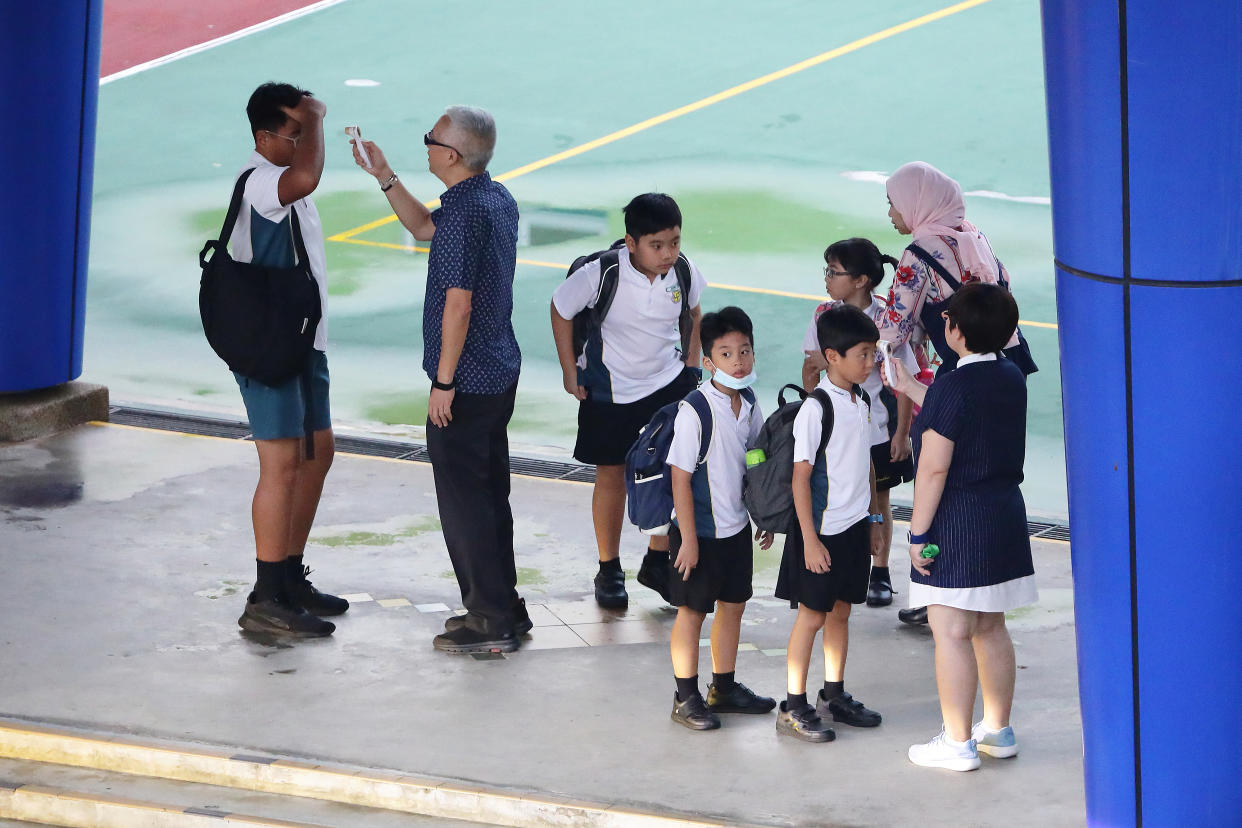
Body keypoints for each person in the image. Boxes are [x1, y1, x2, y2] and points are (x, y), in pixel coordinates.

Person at [351, 106, 525, 654]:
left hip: (466, 383)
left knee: (463, 501)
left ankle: (489, 614)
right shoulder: (493, 200)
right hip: (498, 372)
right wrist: (386, 176)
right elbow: (425, 226)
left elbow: (458, 304)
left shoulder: (467, 216)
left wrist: (443, 382)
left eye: (429, 140)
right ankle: (504, 603)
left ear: (450, 155)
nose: (424, 146)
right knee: (491, 492)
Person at [888, 282, 1036, 771]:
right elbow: (964, 409)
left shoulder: (953, 386)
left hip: (959, 520)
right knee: (990, 625)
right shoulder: (1010, 374)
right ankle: (997, 731)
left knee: (950, 630)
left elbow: (933, 467)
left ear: (954, 330)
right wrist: (911, 388)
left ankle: (956, 743)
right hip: (1004, 514)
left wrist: (917, 534)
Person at [878, 160, 1024, 626]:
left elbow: (894, 328)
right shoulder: (972, 233)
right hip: (1004, 362)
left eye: (893, 204)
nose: (891, 214)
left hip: (956, 370)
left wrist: (853, 318)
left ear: (916, 204)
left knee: (939, 471)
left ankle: (934, 578)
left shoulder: (918, 252)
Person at [232, 82, 347, 638]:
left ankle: (290, 573)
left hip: (304, 341)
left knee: (317, 452)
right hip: (270, 345)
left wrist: (306, 124)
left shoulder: (285, 189)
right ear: (263, 136)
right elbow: (307, 174)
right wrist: (318, 118)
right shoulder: (262, 184)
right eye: (293, 133)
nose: (303, 144)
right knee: (279, 464)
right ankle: (266, 595)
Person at [551, 194, 704, 609]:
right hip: (610, 391)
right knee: (612, 476)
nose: (668, 253)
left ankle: (657, 559)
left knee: (674, 474)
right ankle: (609, 568)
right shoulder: (602, 273)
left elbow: (694, 313)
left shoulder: (683, 270)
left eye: (674, 242)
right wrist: (570, 370)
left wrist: (692, 368)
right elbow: (560, 308)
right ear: (631, 242)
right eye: (657, 245)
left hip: (668, 384)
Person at [774, 304, 886, 742]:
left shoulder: (861, 401)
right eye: (862, 353)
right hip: (819, 533)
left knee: (841, 612)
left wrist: (876, 519)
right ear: (832, 356)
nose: (870, 361)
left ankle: (833, 694)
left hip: (855, 528)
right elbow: (800, 479)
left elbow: (868, 467)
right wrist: (810, 541)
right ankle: (793, 703)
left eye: (873, 352)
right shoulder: (816, 409)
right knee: (812, 617)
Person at [665, 307, 776, 730]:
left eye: (745, 350)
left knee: (733, 606)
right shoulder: (694, 410)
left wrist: (763, 514)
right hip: (699, 531)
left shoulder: (748, 402)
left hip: (735, 529)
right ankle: (686, 696)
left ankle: (723, 687)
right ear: (708, 362)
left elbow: (756, 462)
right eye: (727, 354)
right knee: (692, 612)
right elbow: (680, 479)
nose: (740, 361)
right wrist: (688, 540)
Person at [801, 238, 918, 608]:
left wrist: (902, 432)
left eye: (834, 272)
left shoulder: (889, 320)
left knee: (878, 499)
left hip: (878, 427)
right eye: (827, 271)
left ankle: (879, 571)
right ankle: (843, 557)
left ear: (861, 281)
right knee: (835, 490)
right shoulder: (823, 314)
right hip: (836, 429)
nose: (827, 279)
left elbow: (904, 381)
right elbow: (809, 367)